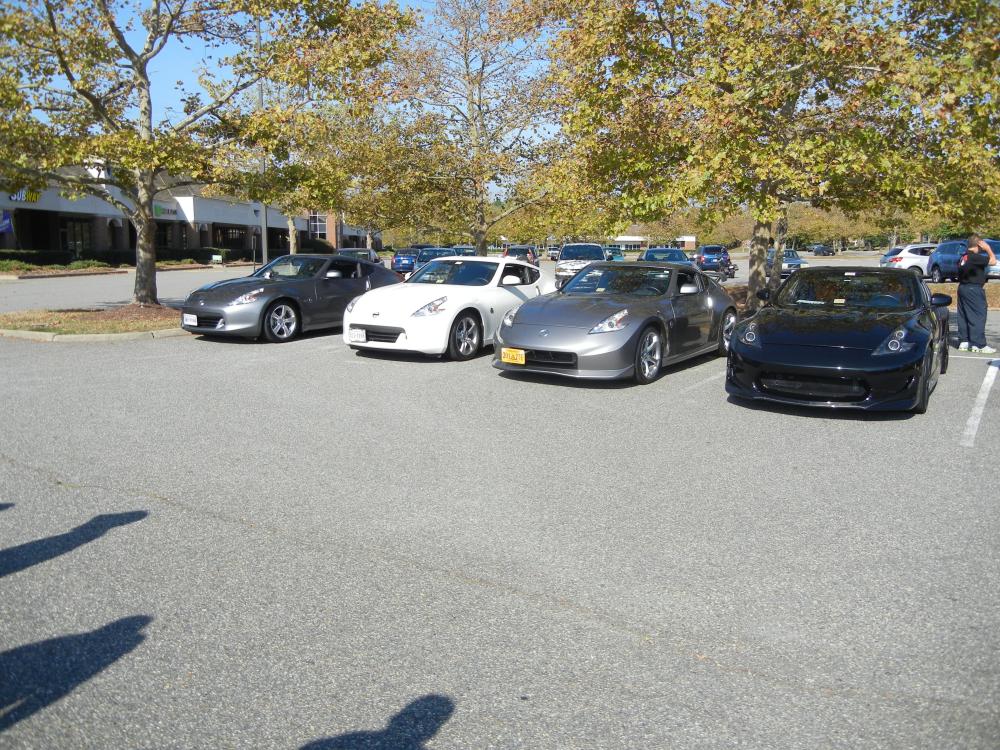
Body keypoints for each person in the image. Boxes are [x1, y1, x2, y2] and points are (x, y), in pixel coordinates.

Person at [956, 234, 997, 354]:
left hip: (963, 287)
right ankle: (978, 344)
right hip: (974, 289)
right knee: (978, 315)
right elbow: (993, 261)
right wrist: (988, 249)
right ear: (979, 244)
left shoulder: (963, 257)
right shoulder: (974, 257)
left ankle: (964, 341)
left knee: (963, 315)